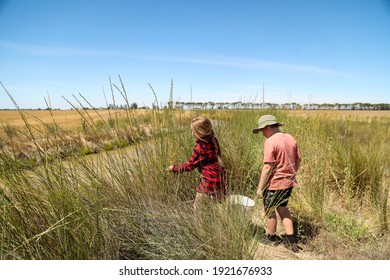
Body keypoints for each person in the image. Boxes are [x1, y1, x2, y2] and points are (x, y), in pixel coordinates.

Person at [252, 115, 301, 253]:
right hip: (288, 182)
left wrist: (260, 188)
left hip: (274, 183)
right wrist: (292, 173)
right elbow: (299, 159)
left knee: (270, 210)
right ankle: (292, 242)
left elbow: (268, 167)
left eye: (262, 130)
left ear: (267, 127)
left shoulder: (270, 141)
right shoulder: (289, 137)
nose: (262, 133)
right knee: (283, 209)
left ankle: (271, 238)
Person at [167, 116, 226, 212]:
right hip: (220, 177)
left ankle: (199, 227)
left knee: (197, 209)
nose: (192, 133)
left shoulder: (200, 148)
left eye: (194, 131)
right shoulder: (214, 140)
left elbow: (189, 166)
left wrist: (173, 168)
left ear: (201, 132)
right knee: (216, 209)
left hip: (209, 181)